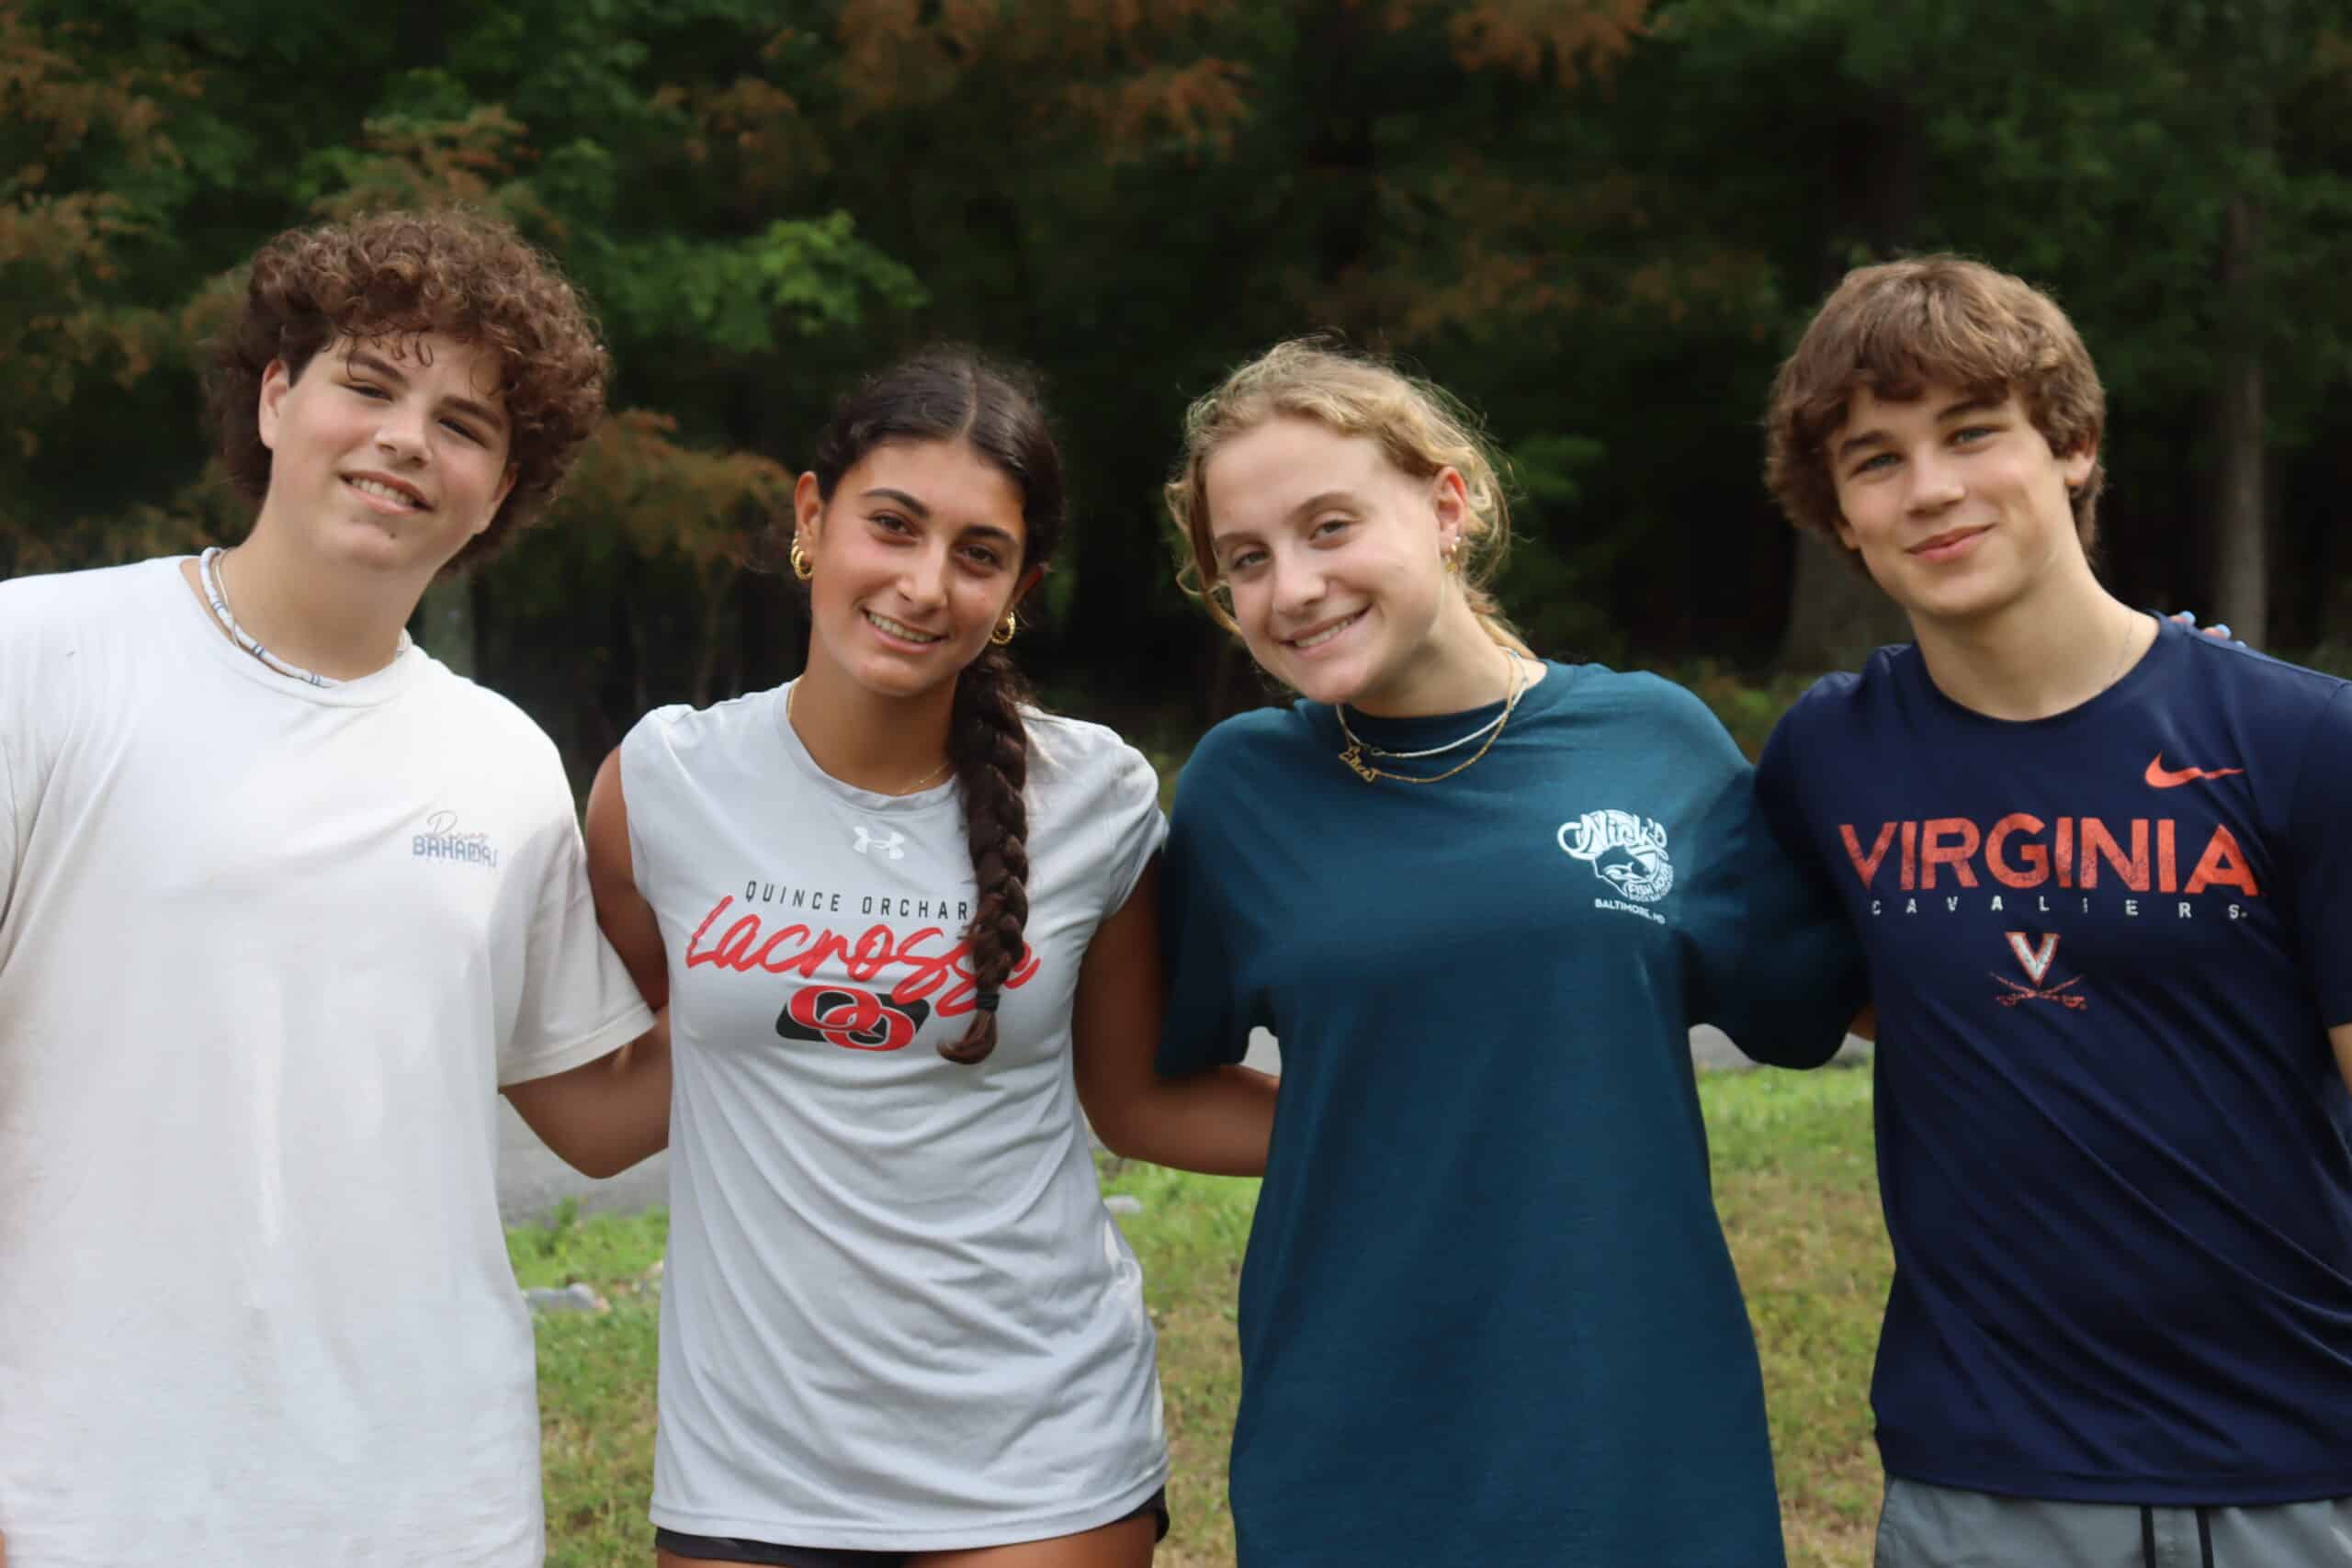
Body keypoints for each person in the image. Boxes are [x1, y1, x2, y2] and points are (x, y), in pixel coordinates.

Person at [0, 209, 671, 1566]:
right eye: (369, 385)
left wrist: (799, 987)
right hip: (84, 1494)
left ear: (502, 490)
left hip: (433, 1501)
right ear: (272, 398)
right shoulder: (42, 657)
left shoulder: (502, 760)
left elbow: (595, 1116)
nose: (406, 440)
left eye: (464, 425)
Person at [1152, 339, 1868, 1566]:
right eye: (1247, 561)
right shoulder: (1241, 790)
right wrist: (1407, 1128)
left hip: (1631, 1418)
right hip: (1354, 1426)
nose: (1295, 587)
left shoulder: (1655, 742)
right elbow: (1152, 1091)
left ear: (1449, 505)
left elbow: (1839, 1001)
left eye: (1330, 527)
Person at [582, 348, 1276, 1568]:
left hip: (1039, 1453)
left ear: (1018, 589)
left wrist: (1433, 1109)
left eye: (978, 553)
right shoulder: (662, 784)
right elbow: (635, 1054)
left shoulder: (1095, 798)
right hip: (751, 1464)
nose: (923, 584)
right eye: (892, 526)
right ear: (812, 518)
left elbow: (1132, 1100)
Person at [1755, 254, 2352, 1566]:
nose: (1931, 489)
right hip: (1985, 1476)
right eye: (1876, 460)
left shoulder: (2302, 740)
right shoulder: (1829, 757)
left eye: (1973, 433)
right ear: (1839, 515)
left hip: (2299, 1460)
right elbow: (1882, 985)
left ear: (2072, 446)